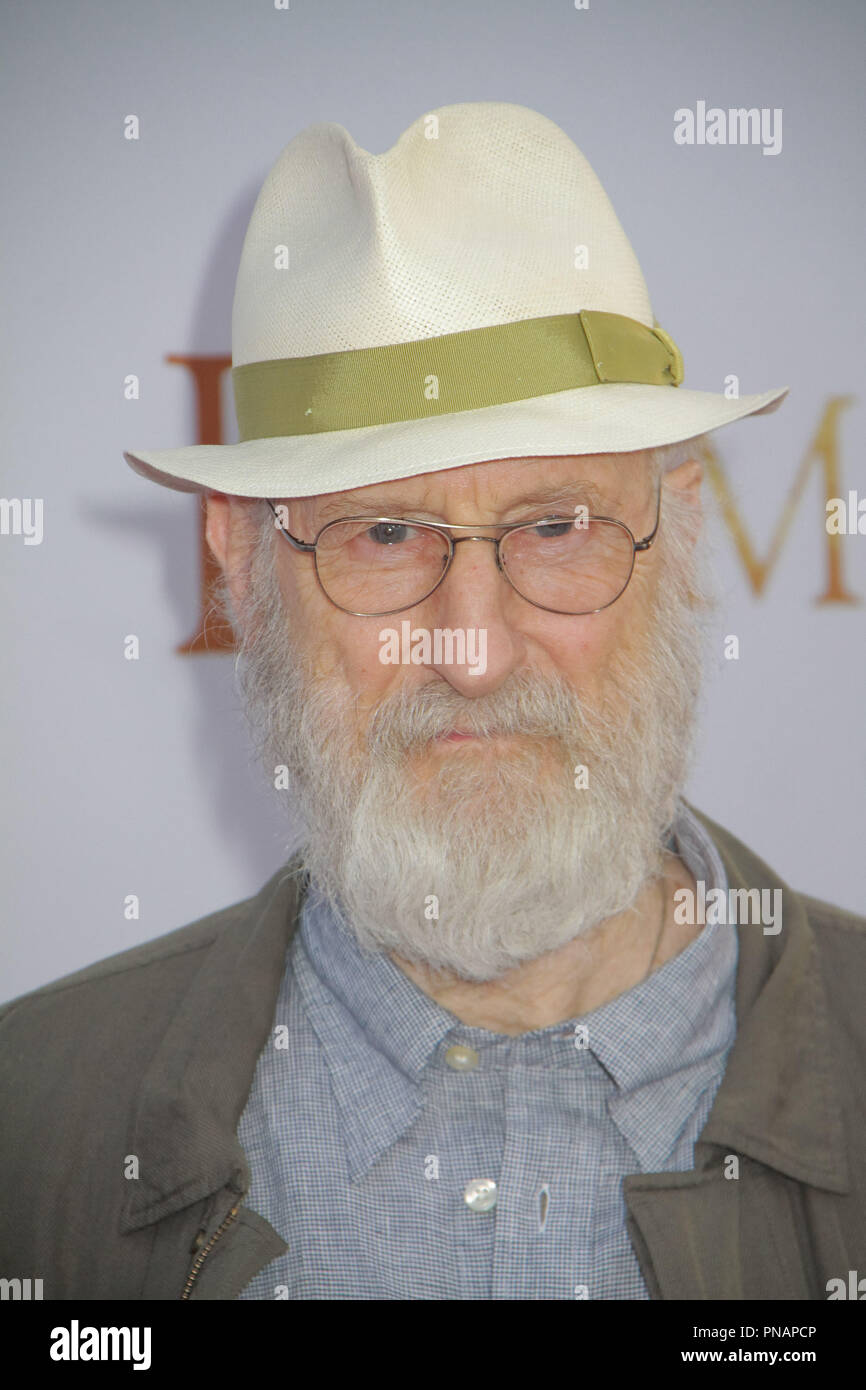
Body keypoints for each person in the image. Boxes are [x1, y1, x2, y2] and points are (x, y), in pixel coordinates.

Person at [1, 102, 863, 1301]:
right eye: (383, 533)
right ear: (240, 565)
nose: (473, 651)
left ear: (680, 532)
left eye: (554, 527)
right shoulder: (31, 1126)